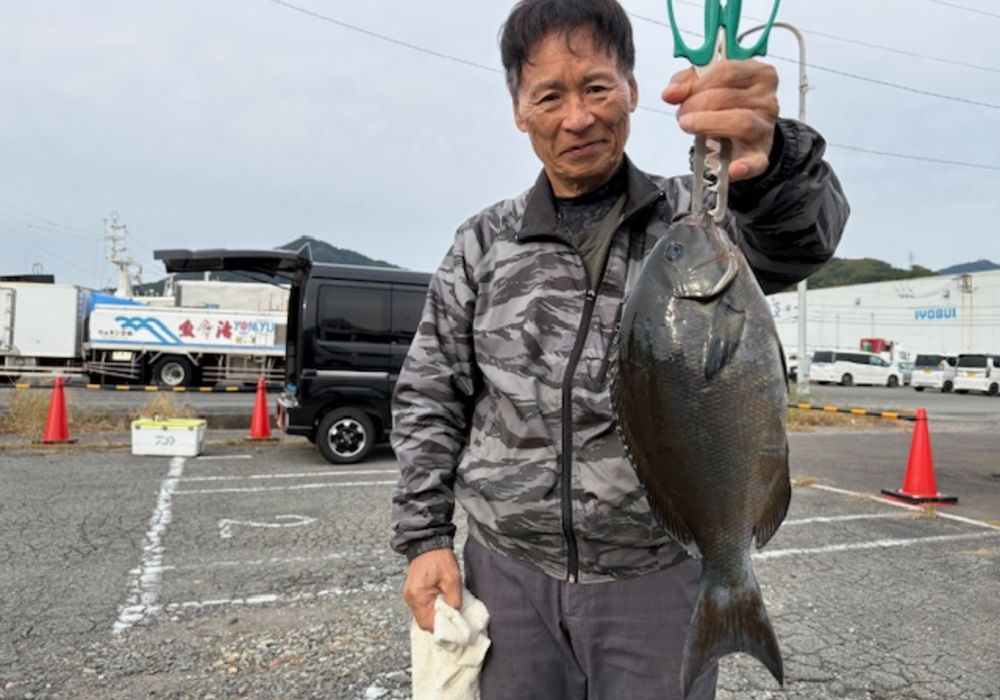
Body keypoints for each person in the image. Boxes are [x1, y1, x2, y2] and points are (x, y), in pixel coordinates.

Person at [391, 1, 849, 697]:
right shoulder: (483, 243)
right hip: (507, 575)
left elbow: (799, 239)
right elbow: (431, 391)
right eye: (551, 94)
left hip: (657, 580)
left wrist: (773, 159)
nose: (578, 117)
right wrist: (424, 537)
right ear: (518, 109)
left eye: (598, 87)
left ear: (633, 90)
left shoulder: (696, 222)